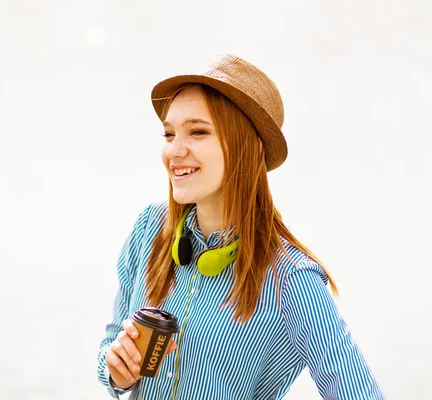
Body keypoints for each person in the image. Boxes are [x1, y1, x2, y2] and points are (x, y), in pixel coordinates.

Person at [96, 54, 384, 399]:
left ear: (248, 147)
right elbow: (110, 349)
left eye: (198, 132)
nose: (174, 150)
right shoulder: (149, 229)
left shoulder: (291, 278)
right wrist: (117, 372)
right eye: (169, 133)